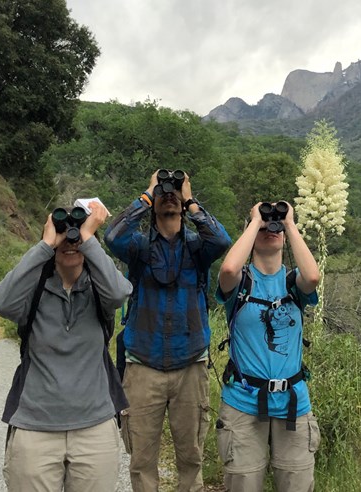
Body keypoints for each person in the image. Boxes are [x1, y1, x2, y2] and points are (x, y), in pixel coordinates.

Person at [0, 201, 132, 492]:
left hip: (95, 425)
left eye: (78, 232)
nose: (71, 239)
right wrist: (45, 244)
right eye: (64, 232)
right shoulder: (35, 289)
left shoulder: (99, 290)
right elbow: (0, 302)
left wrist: (89, 238)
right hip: (34, 425)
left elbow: (120, 294)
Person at [104, 169, 231, 492]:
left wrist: (190, 199)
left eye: (174, 190)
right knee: (142, 460)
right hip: (142, 364)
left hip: (190, 364)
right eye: (164, 190)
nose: (169, 194)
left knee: (191, 456)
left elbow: (222, 240)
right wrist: (148, 194)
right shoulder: (137, 247)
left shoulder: (197, 248)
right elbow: (111, 237)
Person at [215, 201, 321, 492]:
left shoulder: (293, 282)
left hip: (293, 403)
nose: (269, 230)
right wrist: (255, 221)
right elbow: (228, 268)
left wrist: (289, 223)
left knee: (296, 484)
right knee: (244, 483)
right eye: (263, 227)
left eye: (275, 228)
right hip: (243, 401)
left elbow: (312, 276)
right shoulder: (241, 283)